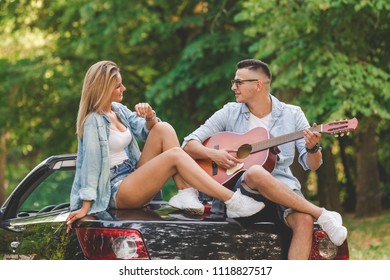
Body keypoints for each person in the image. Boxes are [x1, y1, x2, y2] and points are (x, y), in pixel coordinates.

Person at [66, 60, 264, 232]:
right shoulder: (93, 121)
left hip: (132, 175)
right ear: (103, 89)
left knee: (164, 128)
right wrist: (85, 207)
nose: (123, 88)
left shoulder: (117, 110)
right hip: (117, 190)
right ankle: (232, 200)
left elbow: (146, 131)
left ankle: (185, 193)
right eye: (118, 86)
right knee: (176, 155)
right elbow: (91, 166)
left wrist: (150, 116)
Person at [182, 59, 348, 259]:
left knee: (304, 220)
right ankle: (322, 214)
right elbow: (189, 143)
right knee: (254, 172)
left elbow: (312, 165)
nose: (233, 87)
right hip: (242, 193)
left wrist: (313, 147)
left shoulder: (292, 114)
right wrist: (214, 155)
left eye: (238, 82)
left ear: (258, 85)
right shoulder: (229, 112)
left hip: (284, 189)